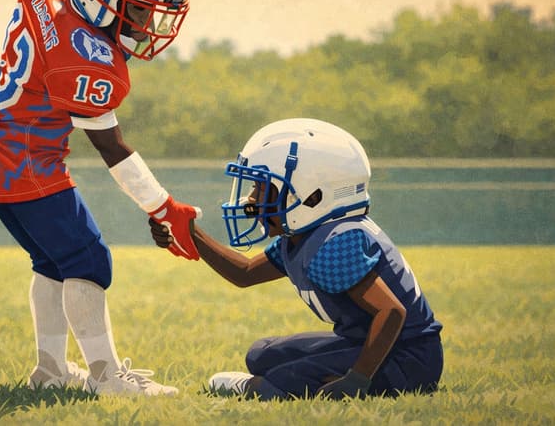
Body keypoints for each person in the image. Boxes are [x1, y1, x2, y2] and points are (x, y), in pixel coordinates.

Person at [0, 0, 200, 396]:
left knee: (52, 261)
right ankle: (106, 376)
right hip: (27, 161)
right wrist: (163, 207)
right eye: (136, 6)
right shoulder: (87, 61)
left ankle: (50, 370)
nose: (144, 23)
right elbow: (112, 148)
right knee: (88, 259)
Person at [150, 118, 444, 400]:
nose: (252, 199)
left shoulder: (335, 242)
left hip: (407, 358)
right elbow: (245, 273)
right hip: (371, 343)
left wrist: (357, 379)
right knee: (263, 354)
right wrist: (190, 233)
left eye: (262, 187)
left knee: (281, 382)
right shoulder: (304, 236)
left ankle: (257, 388)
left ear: (312, 195)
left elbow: (391, 313)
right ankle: (295, 377)